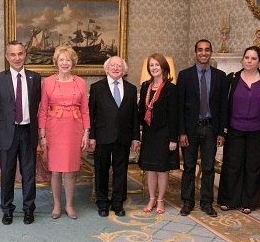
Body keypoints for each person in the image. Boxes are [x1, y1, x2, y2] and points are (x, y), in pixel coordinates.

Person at [218, 46, 260, 214]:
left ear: (259, 61)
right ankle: (229, 200)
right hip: (234, 130)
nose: (249, 61)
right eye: (247, 57)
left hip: (258, 132)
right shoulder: (232, 79)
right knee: (232, 165)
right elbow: (223, 106)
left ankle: (248, 202)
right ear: (242, 59)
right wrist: (222, 131)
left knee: (253, 167)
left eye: (253, 58)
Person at [0, 41, 41, 225]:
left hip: (28, 132)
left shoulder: (35, 78)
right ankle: (7, 209)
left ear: (25, 54)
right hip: (6, 133)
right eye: (13, 54)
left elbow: (37, 105)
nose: (17, 58)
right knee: (7, 174)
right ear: (7, 57)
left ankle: (28, 209)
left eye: (20, 54)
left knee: (29, 173)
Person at [177, 39, 229, 217]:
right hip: (190, 130)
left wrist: (222, 132)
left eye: (207, 50)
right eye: (200, 50)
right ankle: (187, 202)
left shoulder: (220, 76)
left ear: (211, 53)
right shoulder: (184, 75)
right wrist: (181, 132)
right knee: (189, 167)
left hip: (210, 129)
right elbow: (180, 107)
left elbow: (224, 106)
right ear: (195, 53)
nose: (203, 53)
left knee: (208, 168)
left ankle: (207, 203)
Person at [38, 45, 90, 219]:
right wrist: (42, 135)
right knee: (55, 170)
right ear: (56, 62)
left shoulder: (81, 82)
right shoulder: (48, 82)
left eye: (68, 60)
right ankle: (57, 205)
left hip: (74, 129)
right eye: (62, 60)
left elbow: (85, 110)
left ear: (73, 62)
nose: (65, 63)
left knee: (70, 170)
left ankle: (69, 205)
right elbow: (43, 109)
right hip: (54, 129)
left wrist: (86, 132)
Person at [88, 56, 140, 218]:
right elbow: (91, 114)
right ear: (106, 69)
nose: (116, 68)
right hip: (102, 136)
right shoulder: (96, 87)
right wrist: (91, 136)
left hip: (123, 136)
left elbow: (134, 116)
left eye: (119, 66)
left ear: (124, 70)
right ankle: (102, 202)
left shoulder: (131, 89)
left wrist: (135, 137)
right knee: (101, 170)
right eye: (113, 65)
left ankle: (118, 203)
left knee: (121, 171)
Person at [138, 54, 180, 214]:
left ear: (163, 67)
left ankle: (161, 200)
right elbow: (141, 109)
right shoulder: (145, 86)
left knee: (162, 169)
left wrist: (173, 139)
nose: (154, 68)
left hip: (164, 133)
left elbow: (174, 115)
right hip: (149, 133)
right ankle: (151, 198)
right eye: (151, 65)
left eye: (156, 65)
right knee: (150, 168)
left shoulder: (171, 88)